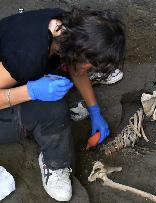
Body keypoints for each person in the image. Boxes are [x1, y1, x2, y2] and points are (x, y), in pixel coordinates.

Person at [0, 7, 125, 201]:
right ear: (80, 53)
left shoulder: (67, 28)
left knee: (61, 79)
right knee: (53, 109)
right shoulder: (28, 55)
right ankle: (54, 165)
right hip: (9, 75)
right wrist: (30, 91)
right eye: (91, 65)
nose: (87, 70)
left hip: (8, 70)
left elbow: (77, 68)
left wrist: (94, 110)